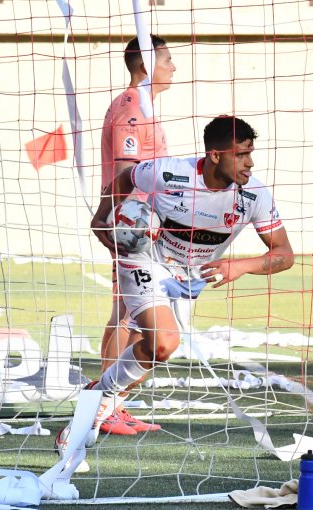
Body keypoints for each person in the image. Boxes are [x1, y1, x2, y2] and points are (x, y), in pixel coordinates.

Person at [57, 115, 295, 466]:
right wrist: (103, 214)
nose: (250, 162)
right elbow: (126, 176)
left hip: (186, 282)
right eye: (242, 154)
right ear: (216, 155)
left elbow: (284, 254)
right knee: (166, 341)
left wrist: (240, 265)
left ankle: (96, 399)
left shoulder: (254, 195)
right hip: (144, 259)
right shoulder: (169, 173)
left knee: (153, 353)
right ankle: (96, 407)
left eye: (251, 153)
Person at [97, 34, 177, 435]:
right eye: (167, 60)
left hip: (142, 224)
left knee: (127, 310)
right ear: (146, 64)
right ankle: (105, 405)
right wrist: (112, 218)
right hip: (130, 225)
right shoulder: (132, 108)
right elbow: (127, 172)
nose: (173, 68)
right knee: (127, 313)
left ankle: (113, 402)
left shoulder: (143, 107)